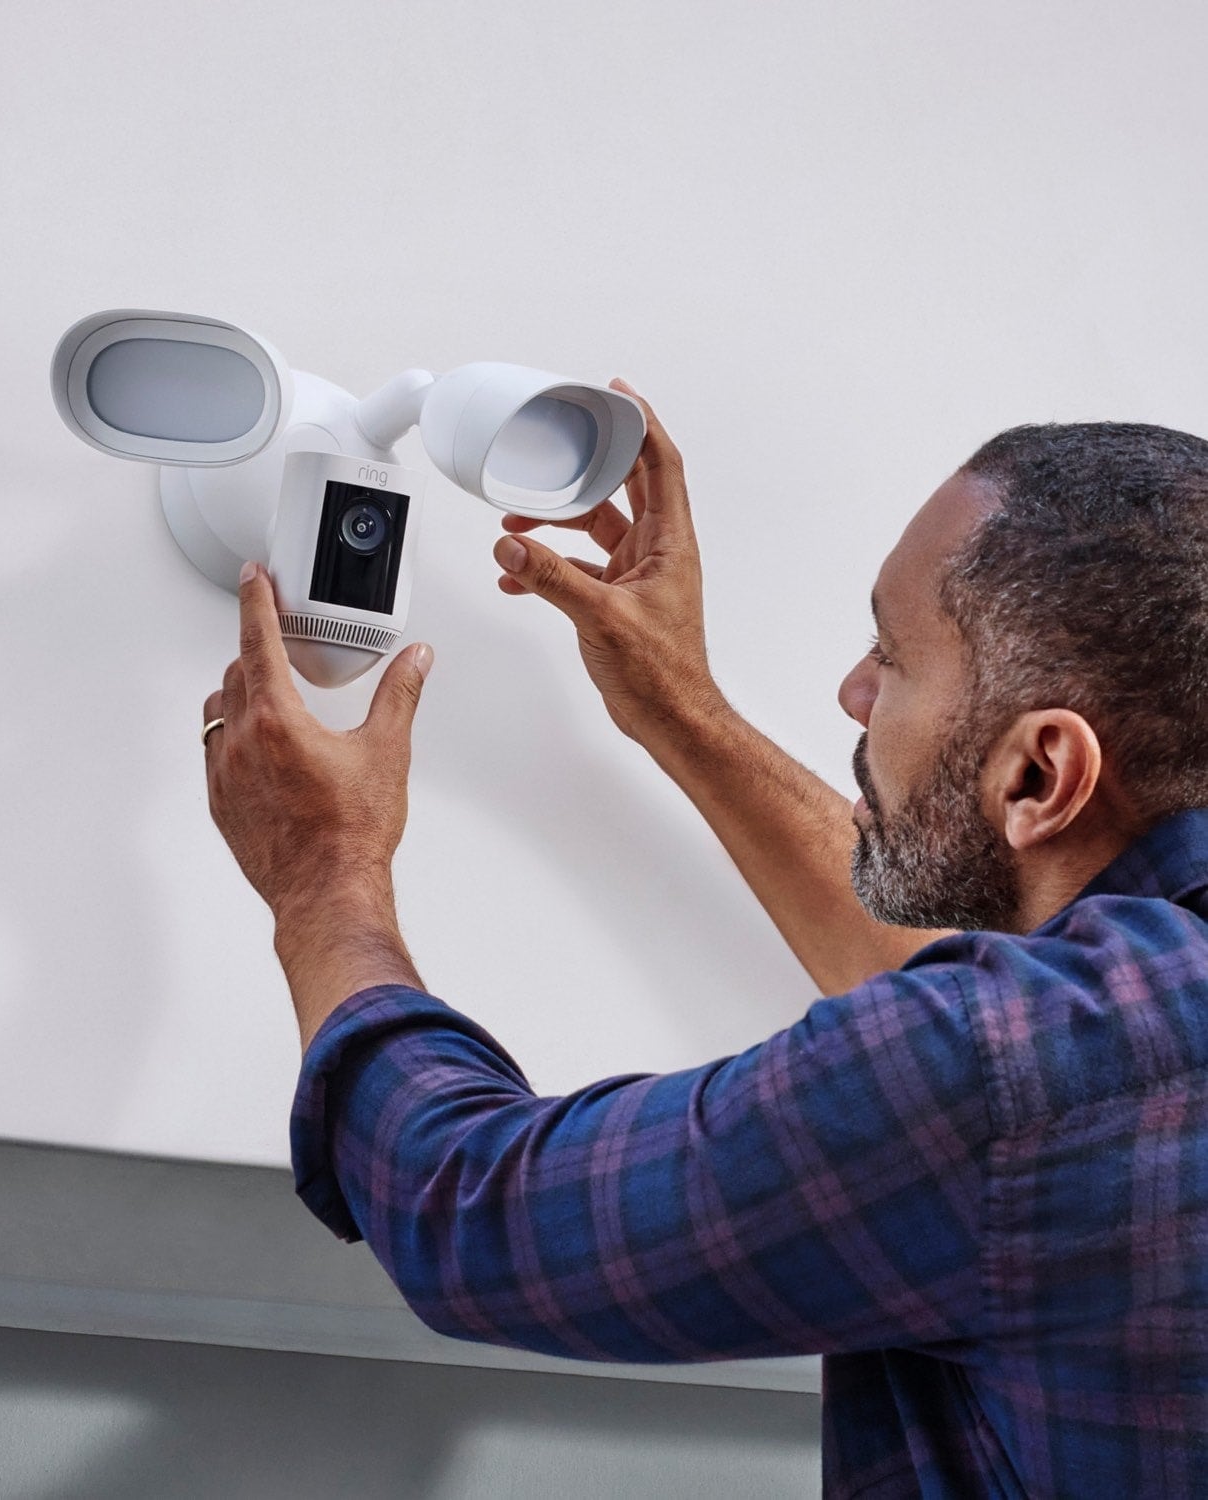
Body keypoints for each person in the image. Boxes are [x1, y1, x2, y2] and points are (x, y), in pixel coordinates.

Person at [200, 383, 1208, 1498]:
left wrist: (324, 878)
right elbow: (1031, 1053)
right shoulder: (1105, 1036)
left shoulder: (1019, 1075)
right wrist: (680, 706)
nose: (854, 690)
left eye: (893, 655)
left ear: (1041, 773)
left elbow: (469, 1213)